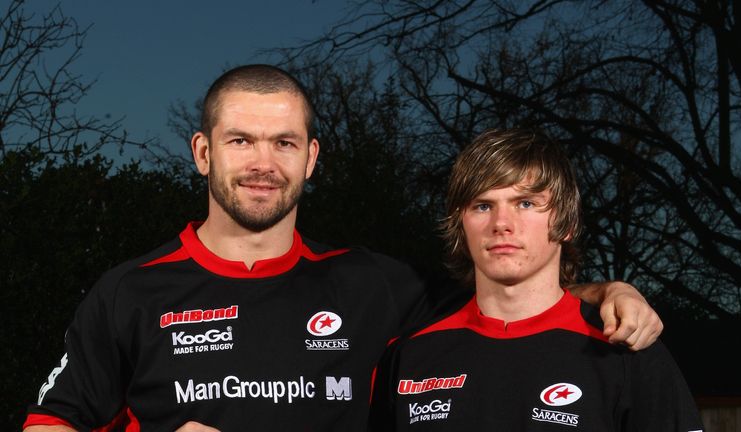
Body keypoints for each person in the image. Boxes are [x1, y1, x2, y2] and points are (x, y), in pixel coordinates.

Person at [23, 66, 662, 432]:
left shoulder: (375, 285)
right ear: (202, 152)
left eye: (285, 143)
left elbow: (510, 292)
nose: (263, 164)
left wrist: (606, 291)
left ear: (312, 158)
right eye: (241, 140)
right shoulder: (131, 292)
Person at [368, 128, 703, 431]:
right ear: (462, 225)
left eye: (525, 203)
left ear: (566, 222)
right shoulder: (410, 355)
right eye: (483, 206)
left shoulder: (627, 350)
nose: (502, 223)